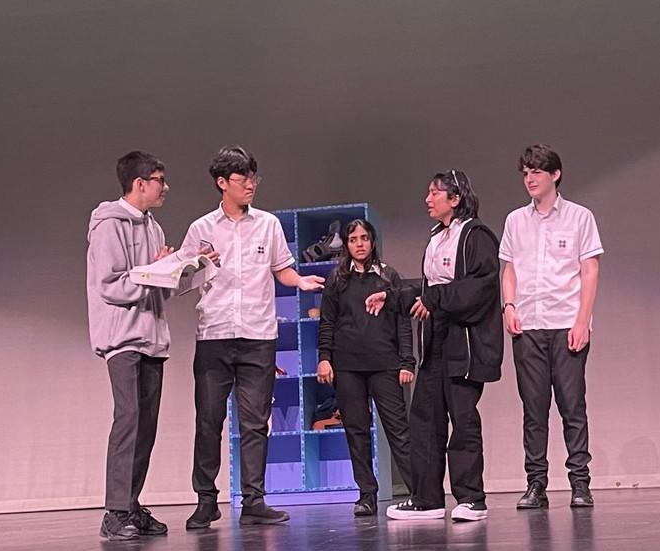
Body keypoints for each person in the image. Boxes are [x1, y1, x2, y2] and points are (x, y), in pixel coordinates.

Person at [180, 147, 325, 527]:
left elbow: (282, 269)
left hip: (258, 334)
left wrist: (300, 281)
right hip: (214, 333)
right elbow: (182, 282)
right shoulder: (201, 228)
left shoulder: (268, 224)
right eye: (242, 178)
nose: (250, 185)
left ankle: (254, 501)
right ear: (222, 182)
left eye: (253, 178)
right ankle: (206, 500)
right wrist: (197, 264)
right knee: (208, 420)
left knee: (256, 422)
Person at [86, 151, 214, 541]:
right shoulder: (109, 225)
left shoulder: (153, 228)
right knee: (128, 418)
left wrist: (190, 266)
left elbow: (161, 287)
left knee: (146, 425)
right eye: (159, 179)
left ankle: (130, 503)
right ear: (139, 183)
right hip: (123, 337)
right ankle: (115, 511)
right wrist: (156, 270)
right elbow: (110, 285)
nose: (165, 186)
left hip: (152, 339)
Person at [382, 170, 503, 523]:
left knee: (462, 420)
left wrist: (435, 299)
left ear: (455, 198)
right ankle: (427, 499)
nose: (428, 199)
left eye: (435, 193)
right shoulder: (436, 238)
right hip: (435, 338)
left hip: (464, 341)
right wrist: (391, 298)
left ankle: (471, 499)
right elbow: (426, 292)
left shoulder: (476, 236)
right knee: (424, 420)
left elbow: (479, 288)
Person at [499, 145, 604, 510]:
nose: (530, 179)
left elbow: (590, 270)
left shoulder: (579, 217)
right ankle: (536, 484)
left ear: (555, 174)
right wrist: (509, 305)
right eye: (526, 172)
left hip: (566, 324)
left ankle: (580, 483)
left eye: (537, 172)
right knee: (534, 409)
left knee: (572, 407)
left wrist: (582, 320)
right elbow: (509, 269)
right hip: (528, 326)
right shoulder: (515, 220)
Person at [315, 219, 414, 517]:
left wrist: (406, 362)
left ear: (372, 241)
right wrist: (324, 357)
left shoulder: (388, 276)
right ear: (346, 245)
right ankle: (366, 495)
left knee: (399, 430)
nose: (359, 244)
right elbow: (327, 322)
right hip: (347, 367)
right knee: (356, 432)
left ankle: (419, 492)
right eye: (353, 239)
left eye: (364, 238)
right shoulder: (337, 279)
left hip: (384, 364)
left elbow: (402, 321)